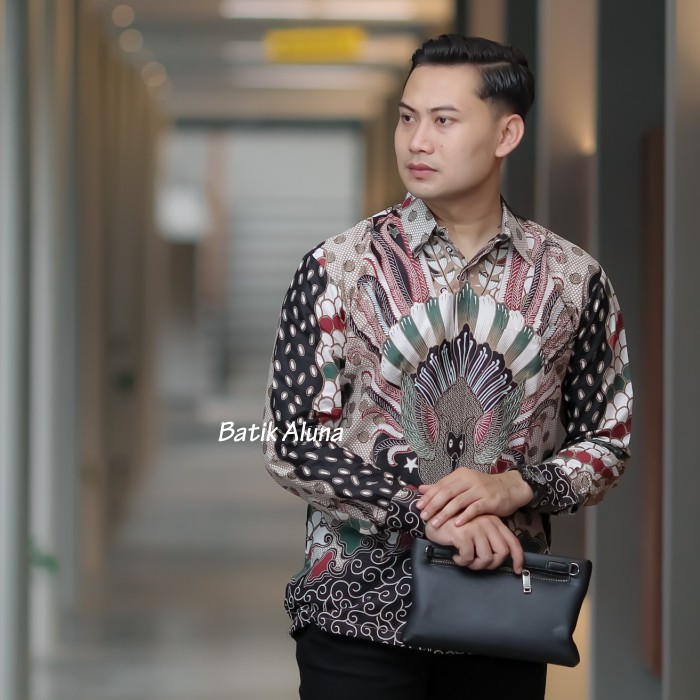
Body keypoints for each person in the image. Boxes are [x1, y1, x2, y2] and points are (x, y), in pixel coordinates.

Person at [262, 34, 632, 700]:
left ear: (506, 133)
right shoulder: (338, 269)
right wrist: (422, 511)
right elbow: (292, 442)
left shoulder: (574, 280)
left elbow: (607, 440)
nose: (417, 141)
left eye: (443, 120)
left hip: (503, 615)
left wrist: (517, 488)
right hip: (356, 616)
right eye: (408, 118)